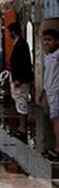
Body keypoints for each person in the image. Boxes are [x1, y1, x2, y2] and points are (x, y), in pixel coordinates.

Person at [9, 22, 34, 136]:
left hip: (21, 79)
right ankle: (21, 126)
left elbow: (23, 63)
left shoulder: (21, 44)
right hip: (18, 78)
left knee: (21, 100)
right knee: (18, 100)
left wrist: (18, 78)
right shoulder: (18, 43)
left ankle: (23, 127)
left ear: (13, 32)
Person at [41, 29, 59, 161]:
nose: (46, 42)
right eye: (45, 40)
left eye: (50, 40)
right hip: (50, 92)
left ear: (56, 42)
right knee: (54, 120)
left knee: (57, 120)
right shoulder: (47, 56)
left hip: (56, 92)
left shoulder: (57, 55)